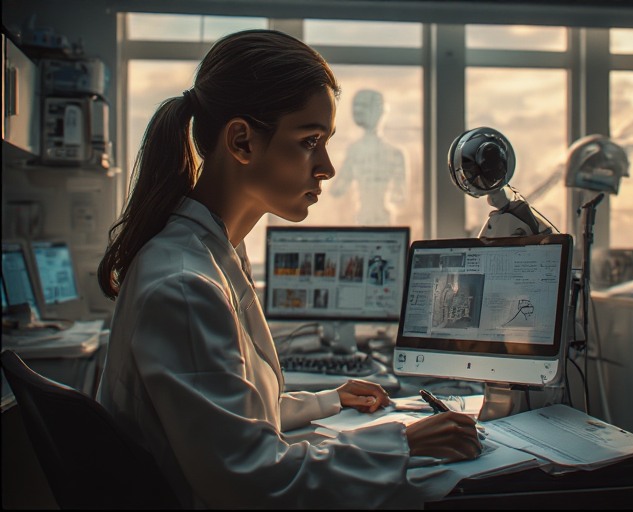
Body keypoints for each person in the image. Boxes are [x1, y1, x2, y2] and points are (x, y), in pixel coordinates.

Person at [95, 29, 481, 509]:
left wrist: (330, 399)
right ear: (241, 141)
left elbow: (231, 415)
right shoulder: (184, 285)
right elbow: (252, 480)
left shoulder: (210, 254)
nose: (327, 167)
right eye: (309, 141)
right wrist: (405, 443)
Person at [329, 89, 407, 225]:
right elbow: (337, 189)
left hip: (383, 219)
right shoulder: (356, 150)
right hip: (363, 219)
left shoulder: (395, 153)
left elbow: (400, 196)